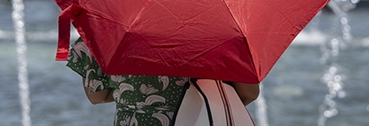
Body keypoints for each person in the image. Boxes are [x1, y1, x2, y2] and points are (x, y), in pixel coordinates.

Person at [67, 37, 259, 126]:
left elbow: (97, 96)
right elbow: (248, 93)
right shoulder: (215, 34)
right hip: (198, 120)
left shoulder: (99, 34)